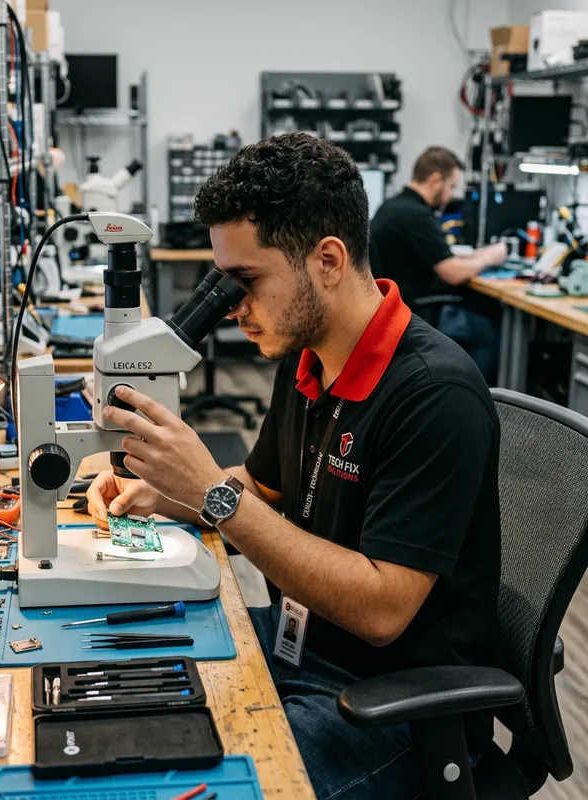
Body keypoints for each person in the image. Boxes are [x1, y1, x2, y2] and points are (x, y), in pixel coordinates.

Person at [86, 133, 501, 800]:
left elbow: (382, 609)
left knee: (173, 788)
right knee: (124, 698)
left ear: (328, 260)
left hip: (394, 710)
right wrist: (163, 492)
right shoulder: (309, 359)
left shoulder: (434, 394)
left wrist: (212, 497)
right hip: (301, 651)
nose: (235, 307)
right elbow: (260, 488)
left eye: (247, 282)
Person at [370, 146, 507, 380]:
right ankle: (477, 398)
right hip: (417, 310)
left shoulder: (393, 206)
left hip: (398, 306)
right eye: (452, 186)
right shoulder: (417, 215)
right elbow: (452, 273)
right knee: (488, 335)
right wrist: (490, 257)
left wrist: (476, 255)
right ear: (436, 180)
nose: (452, 195)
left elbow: (439, 255)